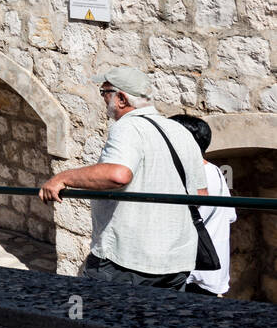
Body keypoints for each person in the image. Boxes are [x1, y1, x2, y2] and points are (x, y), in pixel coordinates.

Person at [39, 67, 206, 290]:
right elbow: (201, 195)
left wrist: (62, 178)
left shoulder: (128, 127)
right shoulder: (180, 131)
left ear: (121, 98)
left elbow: (118, 175)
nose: (103, 98)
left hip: (127, 260)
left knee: (101, 311)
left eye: (104, 92)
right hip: (176, 261)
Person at [171, 114, 236, 297]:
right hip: (211, 271)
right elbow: (230, 216)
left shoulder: (189, 174)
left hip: (190, 274)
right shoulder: (216, 171)